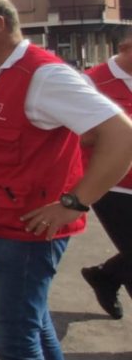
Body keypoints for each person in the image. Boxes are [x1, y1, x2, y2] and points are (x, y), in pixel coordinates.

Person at [0, 0, 132, 360]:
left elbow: (122, 135)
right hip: (0, 226)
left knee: (15, 336)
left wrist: (75, 202)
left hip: (27, 234)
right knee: (32, 321)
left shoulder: (44, 75)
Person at [80, 28, 132, 320]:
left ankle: (106, 276)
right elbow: (80, 134)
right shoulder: (92, 81)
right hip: (112, 183)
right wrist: (120, 132)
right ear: (125, 47)